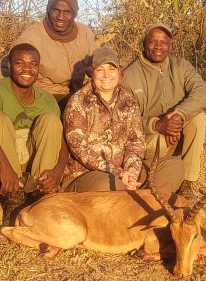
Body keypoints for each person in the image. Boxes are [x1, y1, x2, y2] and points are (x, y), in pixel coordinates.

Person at [61, 46, 184, 192]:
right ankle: (129, 201)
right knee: (110, 185)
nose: (106, 75)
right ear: (91, 72)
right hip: (86, 174)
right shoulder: (78, 102)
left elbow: (136, 142)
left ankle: (146, 206)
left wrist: (131, 173)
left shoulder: (128, 101)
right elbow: (80, 150)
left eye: (111, 69)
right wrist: (118, 173)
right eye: (100, 69)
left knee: (174, 167)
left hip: (124, 172)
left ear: (119, 71)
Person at [122, 23, 206, 186]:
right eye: (153, 42)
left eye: (164, 42)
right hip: (150, 139)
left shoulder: (181, 66)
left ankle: (187, 182)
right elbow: (125, 121)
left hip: (176, 132)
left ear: (170, 46)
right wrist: (156, 125)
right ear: (144, 43)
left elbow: (205, 91)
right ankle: (157, 183)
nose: (158, 47)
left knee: (198, 118)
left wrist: (179, 115)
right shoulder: (129, 76)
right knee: (159, 142)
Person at [0, 43, 69, 225]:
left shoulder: (46, 98)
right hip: (6, 161)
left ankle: (39, 193)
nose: (27, 69)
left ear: (38, 68)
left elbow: (61, 141)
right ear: (9, 66)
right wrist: (5, 166)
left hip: (33, 162)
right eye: (20, 63)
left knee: (51, 120)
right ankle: (14, 196)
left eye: (33, 64)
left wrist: (57, 172)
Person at [0, 0, 97, 109]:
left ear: (74, 13)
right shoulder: (32, 36)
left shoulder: (85, 33)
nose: (60, 17)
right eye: (55, 10)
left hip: (76, 95)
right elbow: (5, 64)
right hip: (43, 96)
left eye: (67, 12)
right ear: (48, 10)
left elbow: (98, 62)